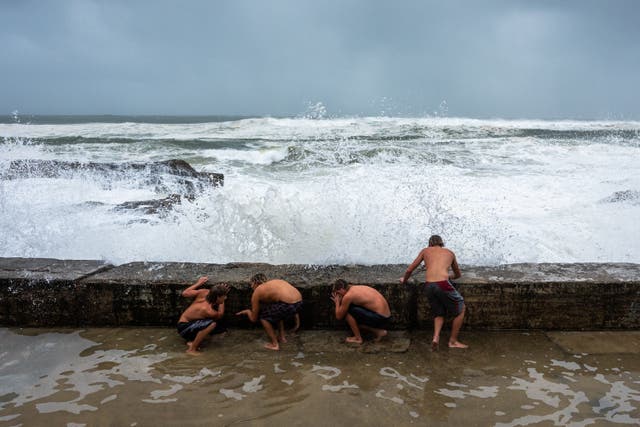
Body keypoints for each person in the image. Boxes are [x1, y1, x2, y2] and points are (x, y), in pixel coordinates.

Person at [400, 234, 467, 350]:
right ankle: (453, 341)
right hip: (443, 284)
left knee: (438, 313)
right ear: (442, 243)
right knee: (461, 308)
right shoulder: (450, 253)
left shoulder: (425, 251)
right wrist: (448, 275)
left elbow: (409, 270)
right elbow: (458, 275)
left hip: (429, 285)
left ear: (430, 244)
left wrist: (404, 280)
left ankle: (435, 338)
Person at [236, 273, 303, 351]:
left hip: (287, 304)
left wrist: (247, 311)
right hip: (300, 302)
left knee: (264, 318)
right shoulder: (274, 282)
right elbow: (291, 300)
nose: (251, 287)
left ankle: (275, 344)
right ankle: (282, 337)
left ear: (256, 283)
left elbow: (254, 319)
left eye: (251, 284)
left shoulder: (257, 291)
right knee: (276, 312)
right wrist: (297, 322)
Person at [177, 276, 230, 356]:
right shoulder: (207, 310)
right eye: (224, 296)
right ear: (218, 297)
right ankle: (192, 349)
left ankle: (192, 341)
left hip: (192, 323)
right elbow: (220, 315)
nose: (226, 298)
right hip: (184, 327)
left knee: (222, 330)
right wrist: (222, 302)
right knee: (212, 324)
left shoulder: (204, 292)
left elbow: (185, 293)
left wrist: (199, 283)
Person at [331, 279, 391, 344]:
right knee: (351, 311)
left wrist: (337, 303)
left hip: (380, 318)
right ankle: (379, 332)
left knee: (347, 313)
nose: (339, 296)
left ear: (342, 289)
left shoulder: (348, 296)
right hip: (387, 317)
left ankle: (358, 338)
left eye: (338, 293)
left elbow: (339, 316)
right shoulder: (354, 287)